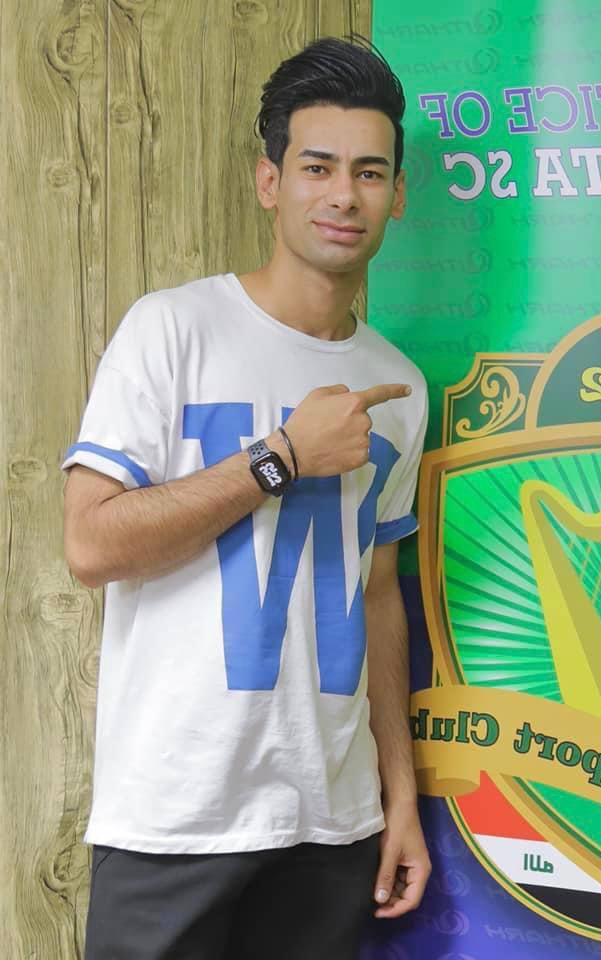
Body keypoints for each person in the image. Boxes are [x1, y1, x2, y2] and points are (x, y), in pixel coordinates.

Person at [62, 37, 430, 960]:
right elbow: (92, 546)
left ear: (397, 195)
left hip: (330, 827)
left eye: (369, 173)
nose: (344, 196)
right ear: (270, 182)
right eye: (317, 167)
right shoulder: (172, 330)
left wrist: (399, 797)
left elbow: (377, 594)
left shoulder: (400, 386)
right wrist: (282, 457)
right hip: (175, 822)